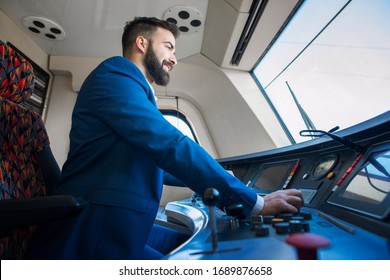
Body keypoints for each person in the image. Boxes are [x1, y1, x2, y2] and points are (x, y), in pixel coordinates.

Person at [25, 17, 303, 260]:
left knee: (201, 250)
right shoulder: (114, 75)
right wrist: (256, 203)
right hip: (92, 233)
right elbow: (169, 144)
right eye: (168, 46)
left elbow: (155, 159)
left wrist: (215, 179)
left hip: (119, 226)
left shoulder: (131, 89)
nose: (174, 58)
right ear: (142, 44)